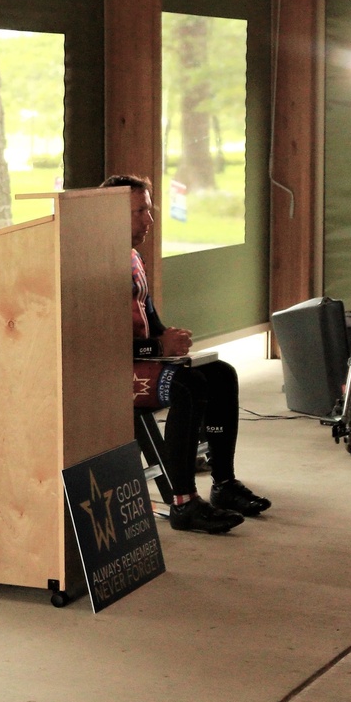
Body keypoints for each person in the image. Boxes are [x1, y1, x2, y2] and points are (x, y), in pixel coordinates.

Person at [101, 175, 271, 534]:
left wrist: (166, 337)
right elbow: (94, 345)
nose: (149, 220)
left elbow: (149, 318)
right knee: (187, 386)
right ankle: (183, 502)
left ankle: (223, 483)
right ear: (112, 216)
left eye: (149, 210)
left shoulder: (132, 256)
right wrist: (158, 348)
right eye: (140, 212)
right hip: (105, 372)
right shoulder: (92, 265)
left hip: (139, 360)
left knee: (222, 374)